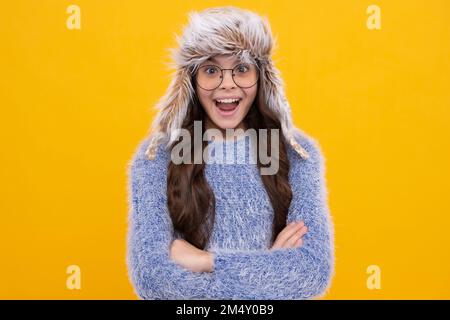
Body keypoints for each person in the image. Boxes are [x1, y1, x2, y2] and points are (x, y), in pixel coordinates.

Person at [126, 6, 335, 300]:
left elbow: (310, 272)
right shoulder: (156, 159)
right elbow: (152, 278)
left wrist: (205, 261)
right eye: (211, 70)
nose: (227, 83)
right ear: (191, 81)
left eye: (241, 68)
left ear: (261, 77)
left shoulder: (297, 155)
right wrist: (268, 267)